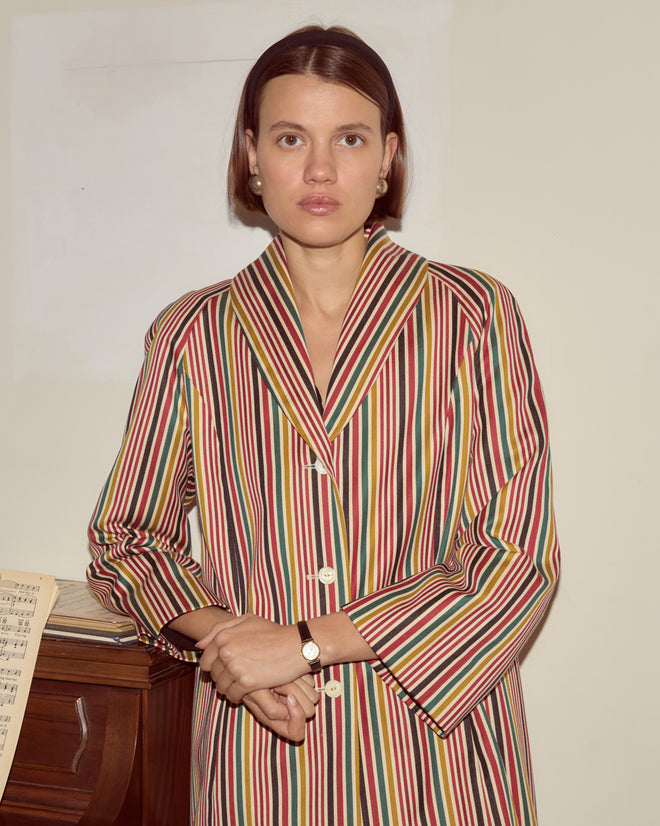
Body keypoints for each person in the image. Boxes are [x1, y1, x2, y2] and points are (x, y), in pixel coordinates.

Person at [88, 24, 560, 826]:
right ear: (251, 156)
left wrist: (305, 641)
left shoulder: (472, 316)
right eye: (289, 138)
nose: (318, 169)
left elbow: (515, 561)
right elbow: (127, 540)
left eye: (349, 138)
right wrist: (232, 643)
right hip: (263, 759)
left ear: (387, 158)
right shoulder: (192, 334)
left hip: (435, 759)